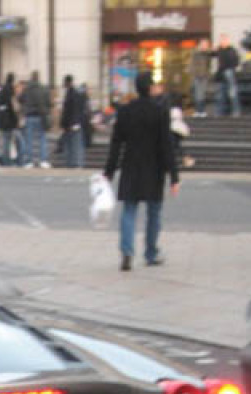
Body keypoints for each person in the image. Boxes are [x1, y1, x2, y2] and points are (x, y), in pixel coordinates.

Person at [103, 71, 179, 271]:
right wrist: (174, 175)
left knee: (129, 210)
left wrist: (109, 171)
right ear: (150, 88)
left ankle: (127, 252)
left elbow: (116, 143)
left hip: (131, 166)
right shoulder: (160, 111)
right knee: (154, 212)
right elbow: (166, 144)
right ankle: (151, 252)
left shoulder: (125, 111)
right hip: (154, 168)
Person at [19, 70, 52, 168]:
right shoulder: (44, 89)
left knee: (29, 139)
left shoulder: (27, 89)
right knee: (42, 138)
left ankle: (29, 161)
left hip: (29, 116)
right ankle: (43, 160)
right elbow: (48, 102)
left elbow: (20, 99)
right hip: (41, 116)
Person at [59, 74, 90, 168]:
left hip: (72, 123)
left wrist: (64, 124)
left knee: (74, 144)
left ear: (66, 82)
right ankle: (76, 162)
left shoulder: (71, 93)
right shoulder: (76, 93)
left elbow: (68, 110)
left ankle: (74, 163)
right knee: (76, 143)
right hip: (76, 122)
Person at [215, 35, 242, 117]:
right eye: (222, 40)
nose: (223, 42)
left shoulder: (231, 50)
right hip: (221, 73)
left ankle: (235, 111)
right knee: (220, 94)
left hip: (229, 72)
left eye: (225, 40)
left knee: (232, 93)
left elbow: (236, 61)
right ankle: (220, 112)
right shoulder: (219, 50)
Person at [190, 39, 212, 116]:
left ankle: (201, 110)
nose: (205, 46)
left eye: (206, 45)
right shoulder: (196, 52)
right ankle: (198, 110)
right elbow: (192, 64)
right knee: (197, 94)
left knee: (202, 94)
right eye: (203, 44)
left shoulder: (207, 53)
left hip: (204, 76)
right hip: (197, 75)